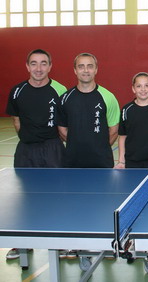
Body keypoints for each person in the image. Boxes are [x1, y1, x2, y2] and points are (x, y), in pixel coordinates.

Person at [4, 49, 67, 260]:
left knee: (57, 197)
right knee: (26, 198)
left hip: (53, 148)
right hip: (26, 150)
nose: (38, 68)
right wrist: (29, 139)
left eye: (43, 63)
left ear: (50, 66)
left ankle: (59, 243)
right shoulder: (17, 91)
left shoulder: (60, 90)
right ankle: (24, 244)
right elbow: (16, 120)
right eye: (34, 63)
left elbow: (64, 123)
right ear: (27, 66)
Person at [59, 53, 120, 168]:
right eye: (81, 66)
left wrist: (99, 149)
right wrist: (77, 147)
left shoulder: (108, 97)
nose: (86, 70)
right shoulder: (65, 98)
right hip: (72, 161)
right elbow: (62, 130)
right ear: (75, 70)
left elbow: (114, 131)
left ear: (96, 69)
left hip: (102, 162)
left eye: (90, 66)